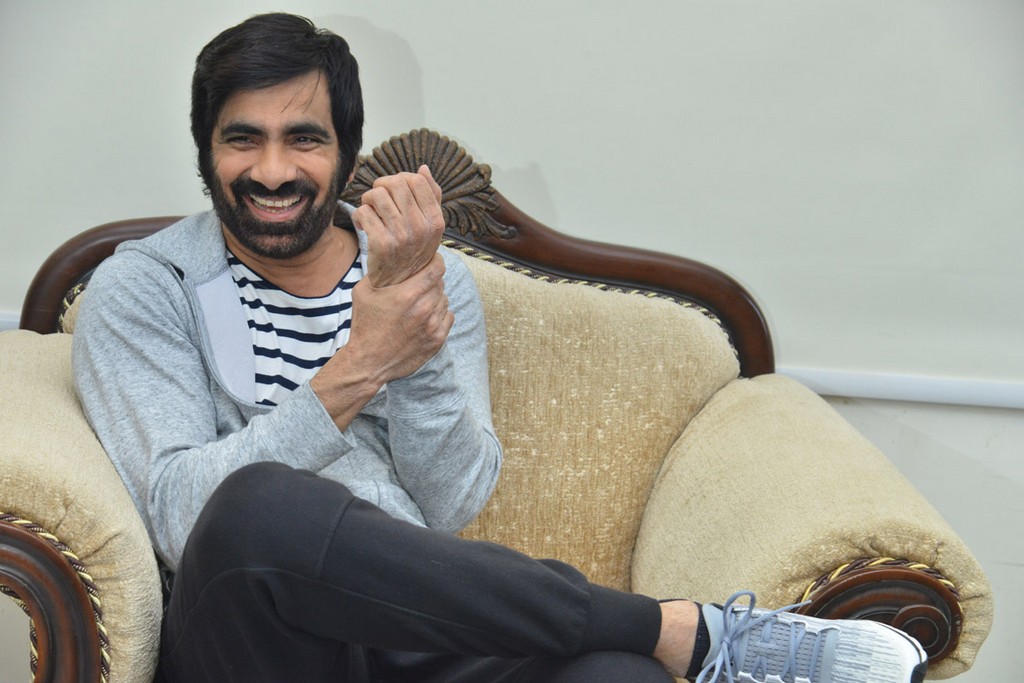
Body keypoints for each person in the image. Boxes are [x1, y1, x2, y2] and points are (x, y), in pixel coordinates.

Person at [72, 12, 928, 683]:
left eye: (303, 137)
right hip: (253, 647)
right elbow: (181, 519)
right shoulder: (146, 287)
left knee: (618, 674)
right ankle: (683, 629)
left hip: (413, 637)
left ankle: (648, 642)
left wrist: (415, 330)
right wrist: (362, 363)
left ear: (345, 151)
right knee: (258, 505)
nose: (271, 170)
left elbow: (448, 504)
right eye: (242, 138)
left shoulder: (425, 273)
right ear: (205, 149)